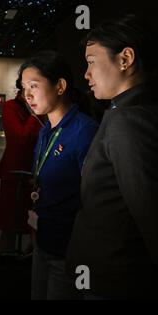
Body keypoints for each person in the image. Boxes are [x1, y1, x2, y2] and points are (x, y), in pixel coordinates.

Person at [67, 15, 158, 299]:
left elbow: (149, 212)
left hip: (116, 280)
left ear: (125, 59)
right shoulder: (123, 112)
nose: (86, 73)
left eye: (92, 61)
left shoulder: (129, 120)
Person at [20, 51, 99, 300]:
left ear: (60, 86)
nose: (27, 95)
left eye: (34, 85)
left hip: (67, 252)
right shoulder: (46, 131)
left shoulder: (84, 132)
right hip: (43, 241)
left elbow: (95, 200)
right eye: (24, 88)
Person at [0, 77, 43, 254]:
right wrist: (34, 115)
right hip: (14, 174)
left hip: (34, 174)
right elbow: (19, 138)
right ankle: (4, 264)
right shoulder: (11, 107)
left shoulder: (40, 107)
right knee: (9, 226)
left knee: (32, 225)